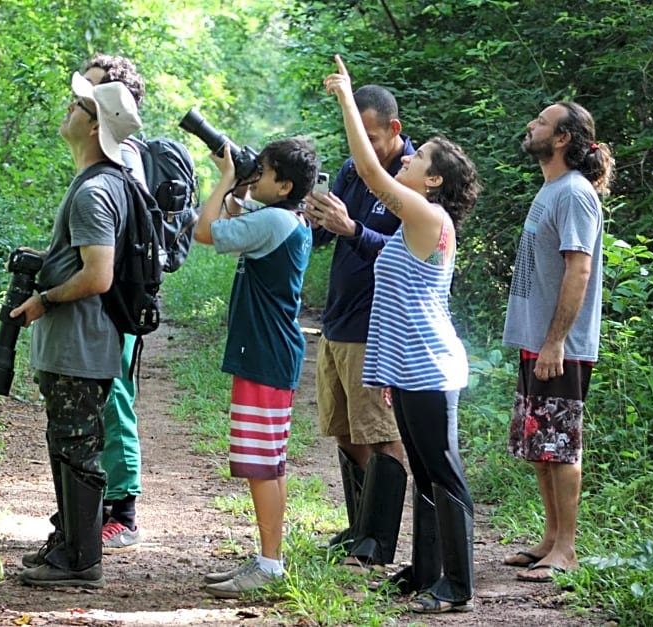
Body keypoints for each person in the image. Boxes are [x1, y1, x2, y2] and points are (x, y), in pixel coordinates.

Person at [324, 55, 480, 614]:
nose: (409, 159)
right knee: (424, 471)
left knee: (443, 471)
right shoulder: (419, 222)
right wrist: (389, 372)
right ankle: (426, 572)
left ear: (433, 180)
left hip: (432, 368)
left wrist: (345, 96)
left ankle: (458, 586)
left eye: (419, 159)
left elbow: (369, 172)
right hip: (414, 367)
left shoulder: (425, 215)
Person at [10, 74, 142, 588]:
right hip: (76, 346)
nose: (69, 107)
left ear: (93, 127)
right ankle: (69, 544)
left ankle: (83, 560)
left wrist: (44, 298)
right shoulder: (101, 182)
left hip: (80, 346)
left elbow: (99, 275)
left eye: (79, 104)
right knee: (67, 442)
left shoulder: (95, 191)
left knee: (78, 445)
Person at [194, 137, 320, 598]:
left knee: (263, 465)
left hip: (266, 355)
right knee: (265, 463)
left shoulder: (274, 221)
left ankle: (270, 565)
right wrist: (241, 188)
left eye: (263, 171)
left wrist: (226, 179)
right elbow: (234, 220)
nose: (256, 175)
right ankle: (268, 557)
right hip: (269, 352)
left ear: (284, 185)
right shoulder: (283, 219)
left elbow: (205, 231)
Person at [502, 102, 613, 583]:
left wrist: (556, 341)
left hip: (560, 345)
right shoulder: (551, 189)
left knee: (561, 446)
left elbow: (580, 268)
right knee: (540, 445)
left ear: (563, 138)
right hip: (538, 340)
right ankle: (550, 539)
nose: (531, 125)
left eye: (542, 122)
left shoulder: (573, 194)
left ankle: (567, 549)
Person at [304, 84, 411, 568]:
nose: (361, 149)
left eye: (370, 137)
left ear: (395, 130)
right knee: (345, 429)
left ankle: (380, 538)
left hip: (378, 326)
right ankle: (359, 526)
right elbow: (330, 234)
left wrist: (353, 229)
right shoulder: (352, 169)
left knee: (380, 432)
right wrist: (317, 217)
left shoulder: (415, 176)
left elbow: (408, 251)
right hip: (338, 320)